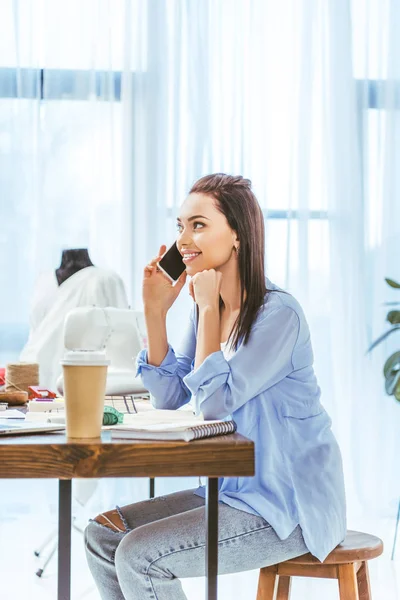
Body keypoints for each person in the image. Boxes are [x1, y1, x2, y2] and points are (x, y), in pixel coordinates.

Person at [84, 174, 346, 600]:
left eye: (199, 225)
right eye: (180, 226)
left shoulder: (280, 315)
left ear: (238, 235)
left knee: (139, 556)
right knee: (103, 536)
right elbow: (169, 397)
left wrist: (206, 308)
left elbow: (213, 407)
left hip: (287, 506)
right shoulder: (208, 308)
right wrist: (155, 312)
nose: (184, 239)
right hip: (227, 491)